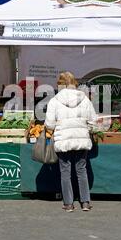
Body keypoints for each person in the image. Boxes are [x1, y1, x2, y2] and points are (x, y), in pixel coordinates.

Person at [45, 72, 97, 213]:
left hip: (63, 140)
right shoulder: (85, 99)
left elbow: (49, 124)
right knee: (82, 170)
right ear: (74, 83)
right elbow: (93, 122)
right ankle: (85, 202)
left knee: (65, 172)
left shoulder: (54, 101)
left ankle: (68, 204)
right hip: (81, 139)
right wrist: (87, 129)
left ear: (60, 84)